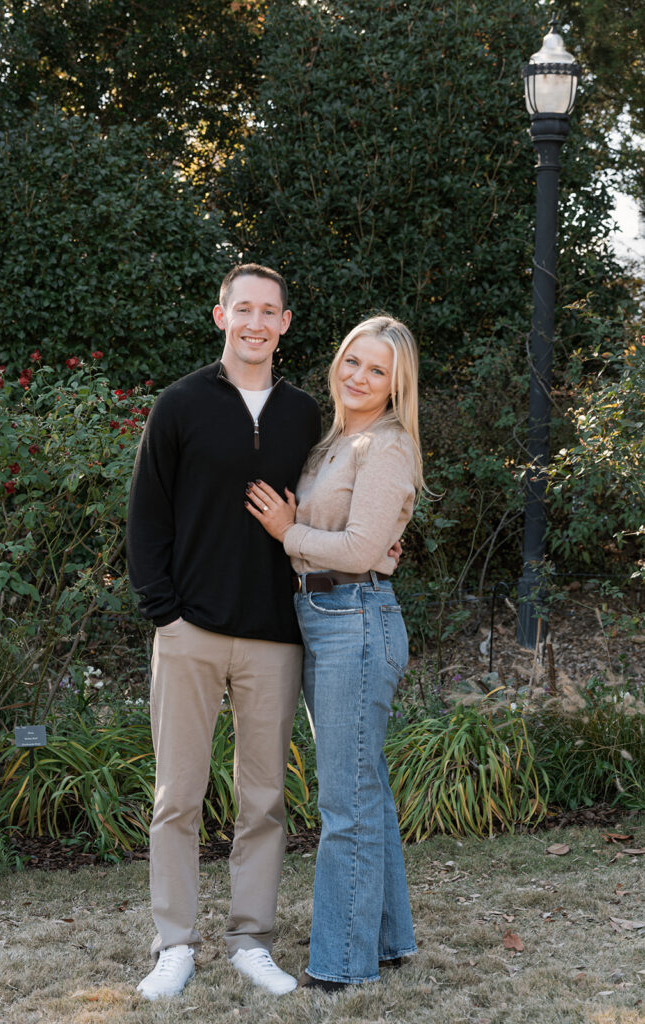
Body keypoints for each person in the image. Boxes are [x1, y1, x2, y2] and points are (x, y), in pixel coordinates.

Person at [126, 264, 321, 999]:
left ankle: (250, 940)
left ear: (285, 323)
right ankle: (174, 944)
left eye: (269, 311)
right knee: (177, 794)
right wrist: (163, 611)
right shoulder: (179, 405)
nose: (256, 322)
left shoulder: (305, 414)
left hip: (274, 633)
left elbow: (329, 499)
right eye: (244, 309)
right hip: (189, 633)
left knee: (264, 798)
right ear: (220, 316)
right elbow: (146, 516)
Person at [245, 314, 423, 989]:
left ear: (394, 385)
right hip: (324, 615)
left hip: (355, 620)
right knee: (364, 790)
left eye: (377, 371)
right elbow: (356, 541)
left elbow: (354, 550)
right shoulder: (331, 443)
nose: (359, 377)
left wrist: (289, 532)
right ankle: (387, 940)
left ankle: (343, 965)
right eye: (353, 361)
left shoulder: (386, 446)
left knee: (345, 802)